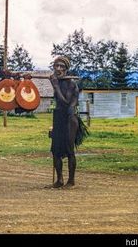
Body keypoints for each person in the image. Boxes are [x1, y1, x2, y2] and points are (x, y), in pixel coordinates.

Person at [49, 56, 86, 189]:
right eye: (56, 66)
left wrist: (55, 86)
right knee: (55, 150)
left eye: (61, 67)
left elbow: (66, 103)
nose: (58, 69)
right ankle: (59, 180)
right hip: (58, 118)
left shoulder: (71, 84)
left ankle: (71, 181)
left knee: (70, 150)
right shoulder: (56, 81)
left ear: (66, 69)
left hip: (70, 119)